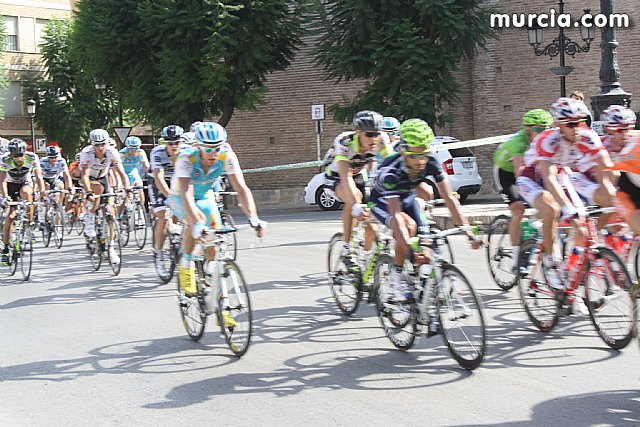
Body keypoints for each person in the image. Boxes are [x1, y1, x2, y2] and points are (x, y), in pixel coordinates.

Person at [369, 119, 482, 301]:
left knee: (427, 240)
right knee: (407, 226)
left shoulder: (430, 161)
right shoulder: (391, 169)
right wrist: (411, 252)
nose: (421, 161)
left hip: (407, 196)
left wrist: (468, 232)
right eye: (414, 156)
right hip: (382, 200)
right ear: (404, 150)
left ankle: (423, 284)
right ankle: (397, 275)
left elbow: (450, 198)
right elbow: (396, 215)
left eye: (424, 154)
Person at [516, 97, 615, 292]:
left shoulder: (588, 136)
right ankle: (552, 263)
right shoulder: (547, 140)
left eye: (579, 122)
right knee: (552, 208)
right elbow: (548, 177)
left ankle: (571, 277)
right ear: (560, 125)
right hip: (532, 179)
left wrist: (611, 195)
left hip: (561, 176)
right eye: (570, 124)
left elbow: (607, 167)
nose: (576, 128)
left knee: (582, 226)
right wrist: (567, 208)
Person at [167, 121, 265, 297]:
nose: (213, 154)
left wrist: (253, 217)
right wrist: (196, 223)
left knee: (214, 237)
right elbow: (187, 194)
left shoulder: (226, 155)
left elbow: (241, 188)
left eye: (217, 148)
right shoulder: (186, 158)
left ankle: (217, 295)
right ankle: (186, 265)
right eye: (208, 149)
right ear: (198, 146)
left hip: (205, 195)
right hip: (180, 197)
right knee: (196, 222)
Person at [325, 110, 392, 272]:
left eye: (377, 133)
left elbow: (392, 165)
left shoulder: (382, 140)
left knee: (372, 228)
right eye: (369, 134)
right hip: (336, 176)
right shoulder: (344, 141)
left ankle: (365, 259)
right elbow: (345, 174)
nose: (374, 138)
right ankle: (347, 249)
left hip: (359, 175)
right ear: (357, 132)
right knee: (354, 197)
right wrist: (356, 204)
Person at [493, 109, 553, 270]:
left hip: (528, 172)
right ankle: (515, 255)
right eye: (540, 129)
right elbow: (520, 176)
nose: (545, 133)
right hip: (506, 173)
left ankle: (534, 237)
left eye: (547, 129)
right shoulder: (518, 144)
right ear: (528, 129)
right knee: (518, 209)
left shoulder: (544, 141)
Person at [79, 129, 130, 265]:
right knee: (97, 190)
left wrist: (127, 188)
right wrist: (88, 191)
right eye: (97, 145)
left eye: (103, 144)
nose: (100, 148)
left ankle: (111, 248)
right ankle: (90, 218)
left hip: (103, 177)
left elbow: (121, 173)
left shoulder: (112, 152)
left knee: (111, 212)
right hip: (89, 179)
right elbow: (83, 175)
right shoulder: (86, 153)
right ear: (92, 144)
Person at [0, 138, 45, 265]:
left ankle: (29, 225)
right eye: (15, 156)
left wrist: (43, 194)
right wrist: (5, 197)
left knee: (27, 194)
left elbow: (38, 176)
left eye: (21, 155)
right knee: (11, 216)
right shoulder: (4, 159)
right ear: (11, 155)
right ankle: (6, 247)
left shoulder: (32, 157)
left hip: (24, 184)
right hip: (9, 186)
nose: (19, 159)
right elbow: (2, 180)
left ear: (25, 153)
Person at [149, 125, 184, 276]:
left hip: (178, 182)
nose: (174, 146)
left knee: (180, 214)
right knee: (163, 216)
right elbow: (159, 177)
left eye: (177, 142)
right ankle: (159, 252)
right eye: (170, 143)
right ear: (165, 143)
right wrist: (170, 198)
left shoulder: (187, 153)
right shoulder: (157, 152)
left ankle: (177, 239)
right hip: (159, 184)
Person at [600, 105, 640, 237]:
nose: (624, 134)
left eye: (628, 128)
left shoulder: (636, 141)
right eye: (618, 130)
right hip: (622, 193)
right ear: (608, 130)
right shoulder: (600, 147)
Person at [119, 136, 150, 204]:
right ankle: (120, 214)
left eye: (136, 148)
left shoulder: (140, 152)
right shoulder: (123, 154)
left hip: (133, 172)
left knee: (139, 187)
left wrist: (151, 176)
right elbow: (119, 169)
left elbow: (146, 166)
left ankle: (141, 209)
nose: (134, 150)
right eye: (131, 148)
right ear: (127, 147)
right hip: (122, 173)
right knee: (124, 196)